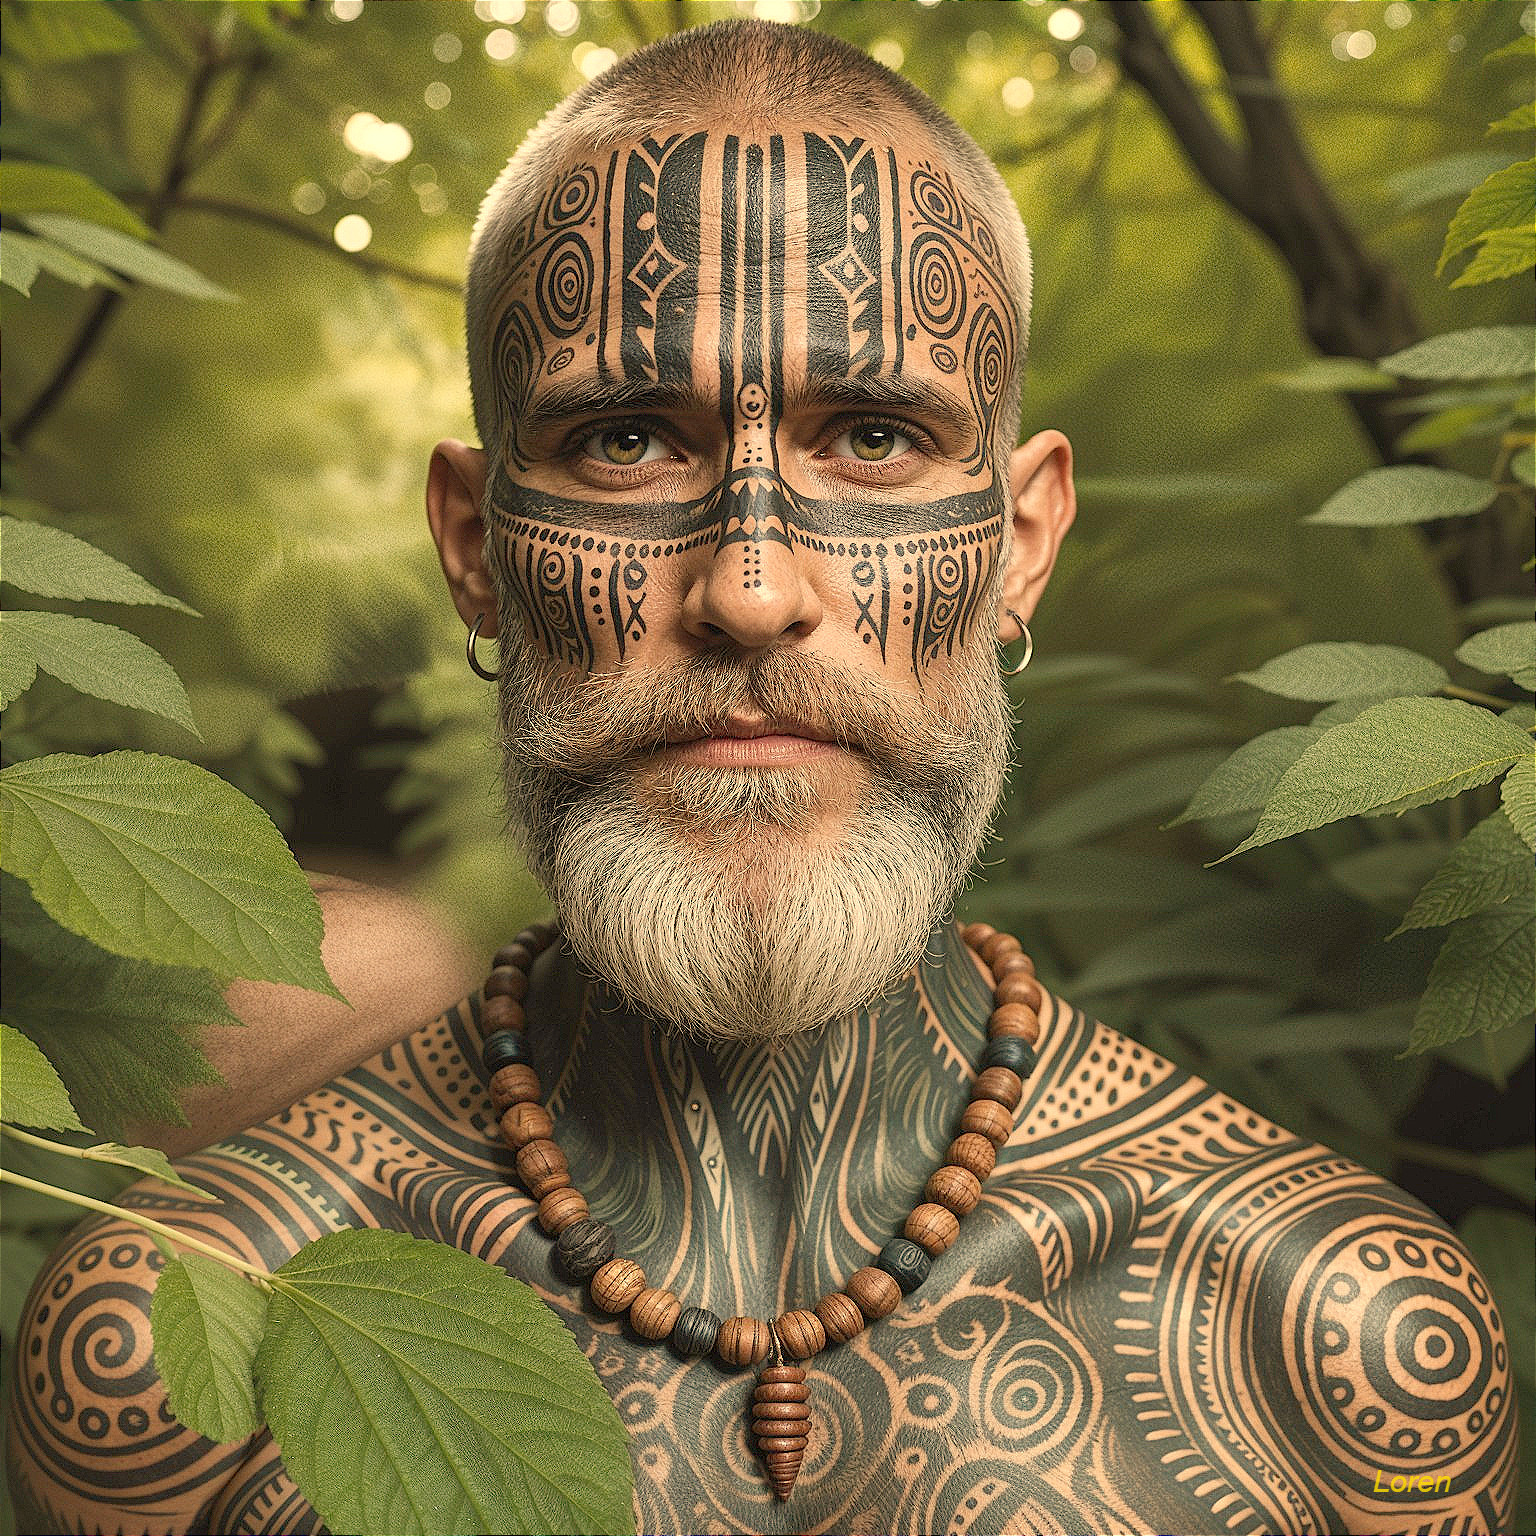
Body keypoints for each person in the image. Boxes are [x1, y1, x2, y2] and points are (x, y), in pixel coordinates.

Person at [7, 21, 1516, 1536]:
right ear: (476, 548)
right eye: (621, 440)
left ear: (1022, 542)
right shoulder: (169, 1358)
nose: (746, 588)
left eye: (873, 435)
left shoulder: (1336, 1344)